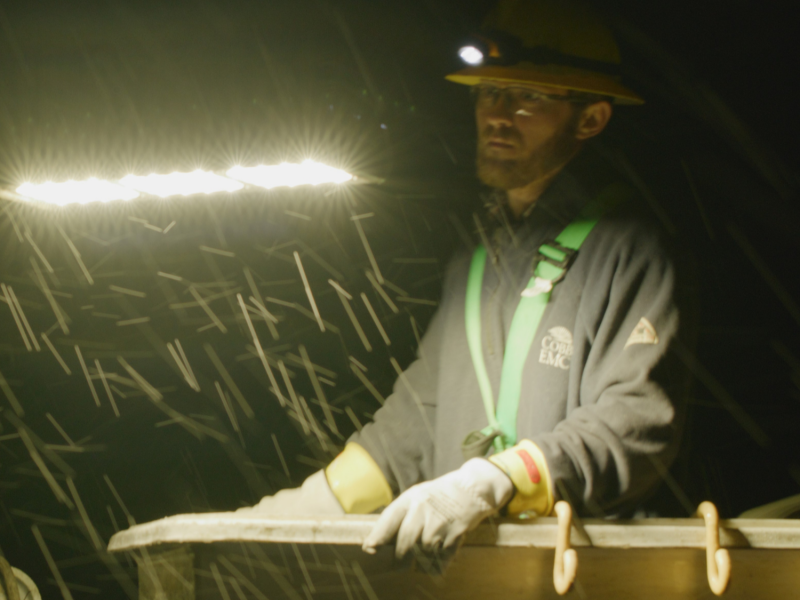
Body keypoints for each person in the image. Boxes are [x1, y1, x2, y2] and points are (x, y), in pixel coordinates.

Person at [241, 0, 694, 558]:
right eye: (488, 92)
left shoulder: (629, 248)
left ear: (591, 119)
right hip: (479, 576)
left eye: (529, 97)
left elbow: (637, 424)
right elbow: (417, 418)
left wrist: (496, 481)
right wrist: (298, 511)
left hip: (582, 575)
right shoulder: (478, 258)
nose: (498, 113)